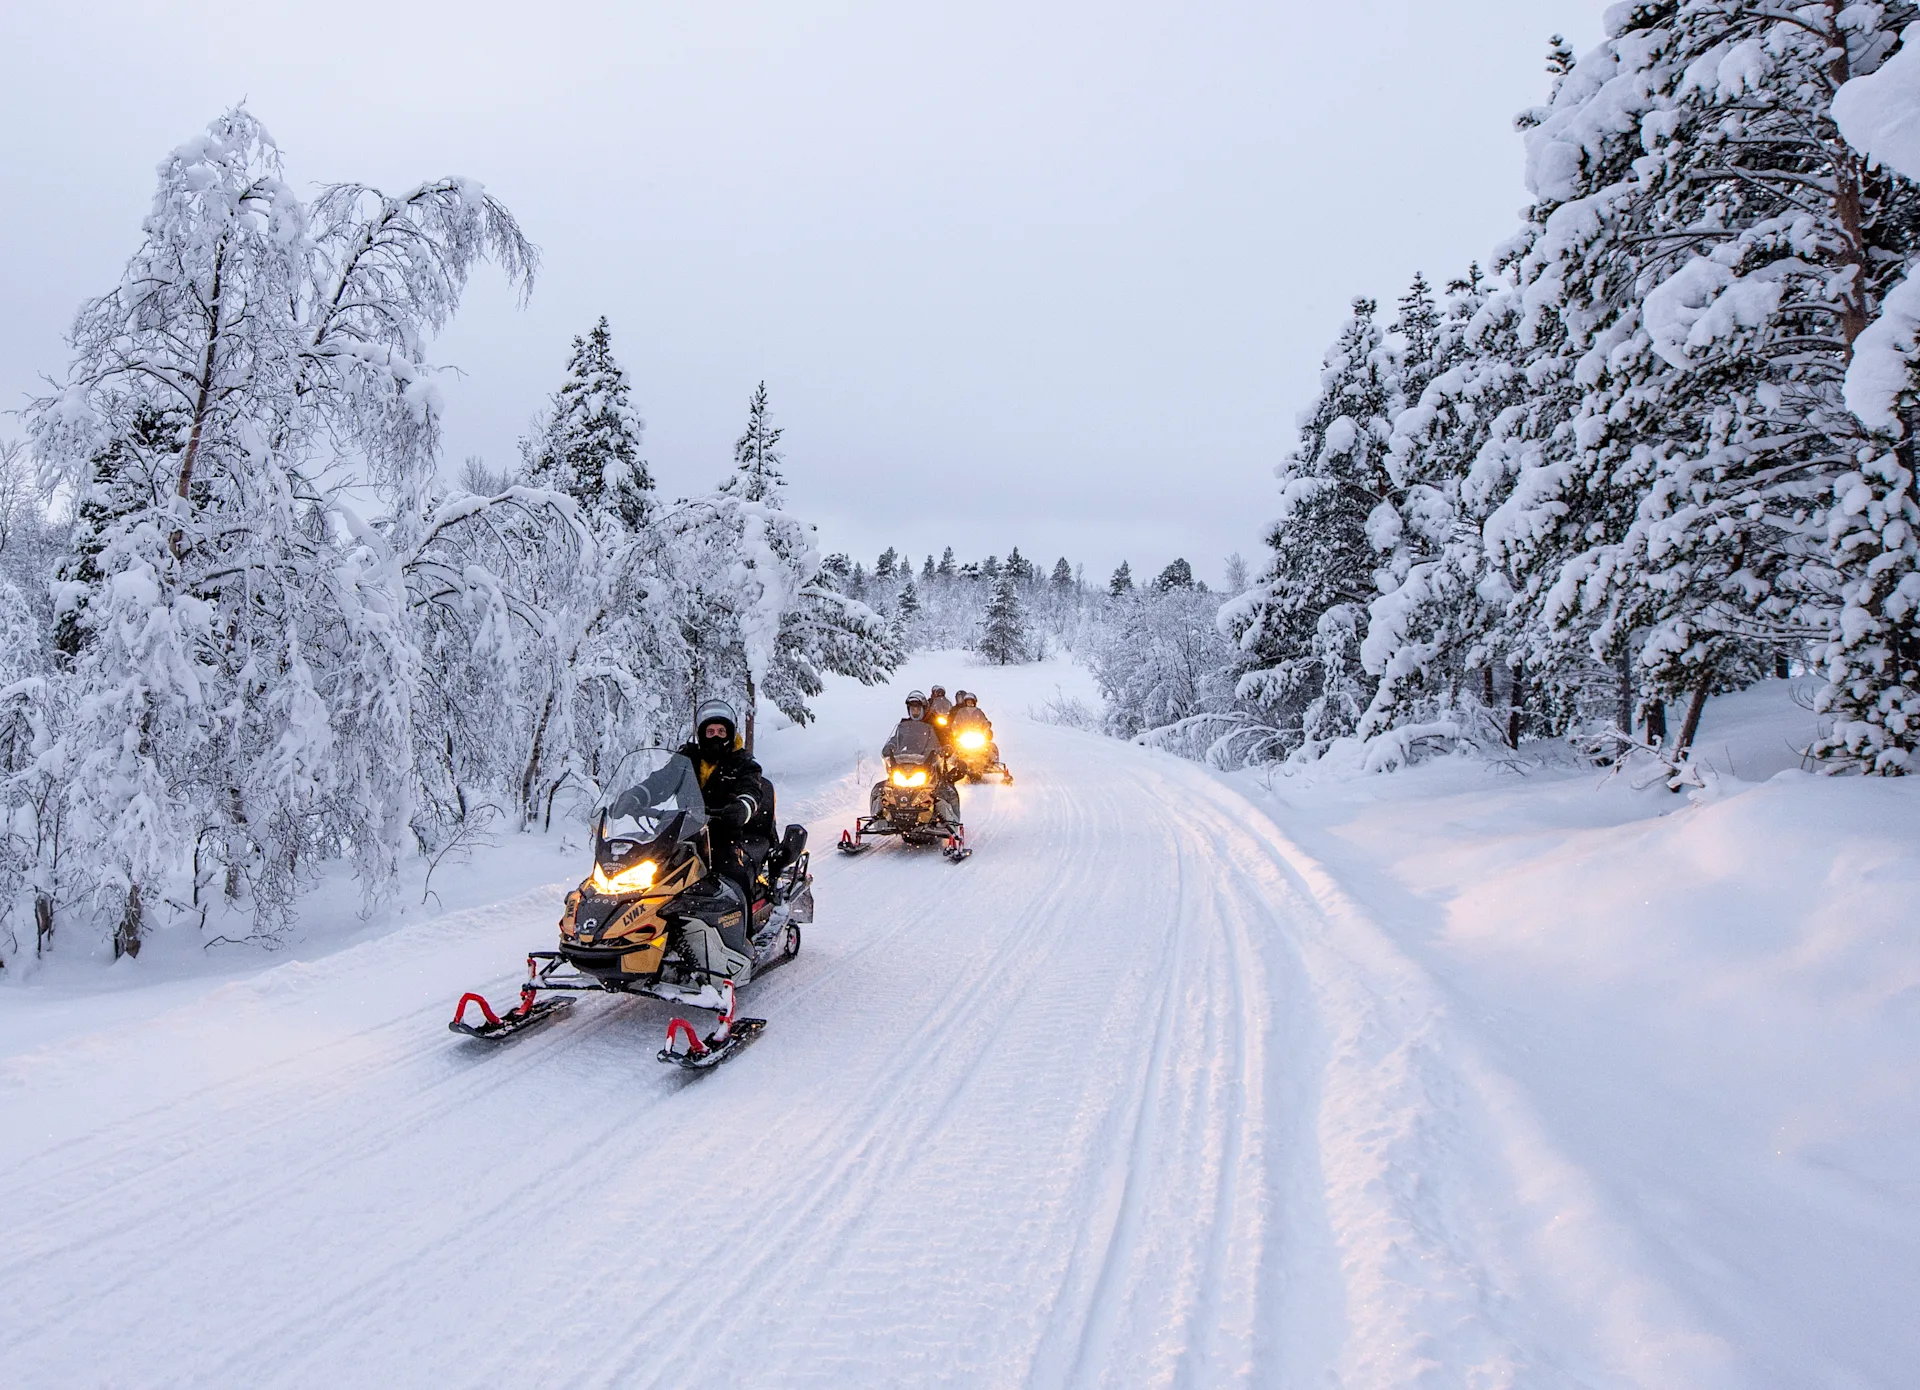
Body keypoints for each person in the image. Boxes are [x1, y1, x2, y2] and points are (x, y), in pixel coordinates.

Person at [673, 698, 775, 901]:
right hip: (685, 833)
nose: (716, 737)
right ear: (702, 734)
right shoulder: (687, 759)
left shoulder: (743, 763)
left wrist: (742, 808)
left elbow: (751, 790)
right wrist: (634, 798)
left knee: (734, 877)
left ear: (729, 733)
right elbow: (660, 781)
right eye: (710, 732)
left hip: (725, 834)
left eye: (721, 731)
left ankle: (744, 930)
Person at [877, 692, 960, 826]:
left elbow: (946, 738)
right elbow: (896, 739)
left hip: (931, 763)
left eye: (917, 708)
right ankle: (881, 819)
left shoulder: (934, 723)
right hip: (907, 763)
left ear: (923, 708)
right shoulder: (904, 725)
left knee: (945, 790)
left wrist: (947, 748)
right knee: (881, 789)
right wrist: (890, 747)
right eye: (912, 708)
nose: (915, 711)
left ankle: (953, 823)